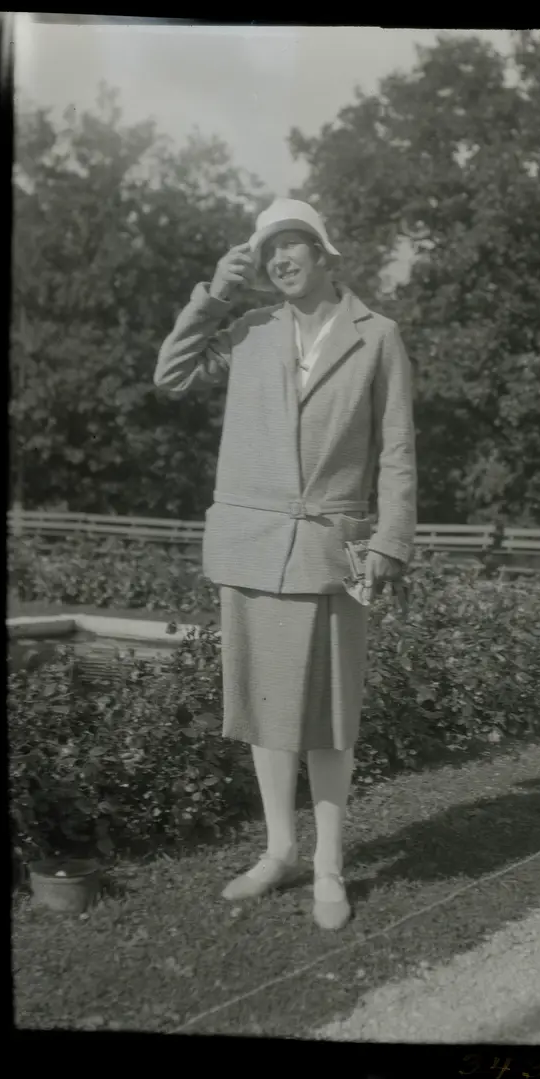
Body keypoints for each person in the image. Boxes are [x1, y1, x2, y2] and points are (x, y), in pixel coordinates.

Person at [154, 199, 417, 930]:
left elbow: (397, 450)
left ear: (324, 254)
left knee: (330, 718)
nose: (280, 258)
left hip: (333, 551)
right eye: (269, 248)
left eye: (293, 243)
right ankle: (279, 851)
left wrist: (391, 540)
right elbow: (170, 375)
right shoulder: (248, 328)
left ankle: (328, 865)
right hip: (252, 545)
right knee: (266, 709)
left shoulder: (377, 335)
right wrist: (215, 293)